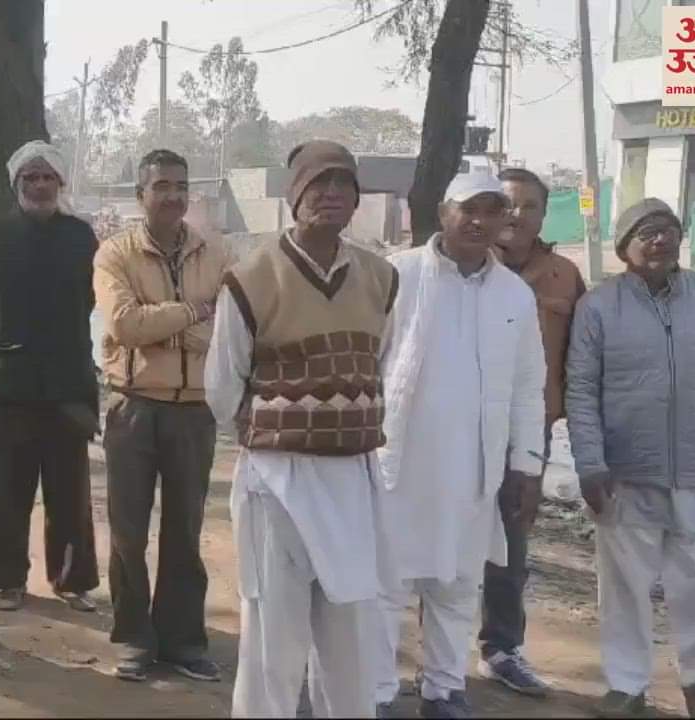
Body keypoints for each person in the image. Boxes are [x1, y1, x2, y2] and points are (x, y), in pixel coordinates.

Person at [207, 140, 397, 717]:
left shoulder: (379, 277)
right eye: (318, 184)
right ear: (295, 197)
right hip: (278, 482)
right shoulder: (252, 277)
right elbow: (223, 386)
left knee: (350, 637)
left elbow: (377, 363)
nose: (332, 194)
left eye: (344, 183)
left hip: (351, 481)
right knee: (273, 641)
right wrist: (280, 431)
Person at [566, 198, 695, 720]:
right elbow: (581, 389)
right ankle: (627, 684)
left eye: (666, 229)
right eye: (645, 232)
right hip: (624, 471)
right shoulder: (599, 306)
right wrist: (590, 463)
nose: (658, 239)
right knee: (625, 586)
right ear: (624, 246)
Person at [370, 173, 546, 719]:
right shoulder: (400, 274)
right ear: (444, 212)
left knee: (457, 582)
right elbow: (370, 362)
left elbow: (527, 385)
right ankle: (374, 691)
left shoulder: (514, 294)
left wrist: (526, 464)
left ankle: (444, 688)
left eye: (491, 211)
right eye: (469, 209)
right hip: (398, 463)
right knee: (385, 584)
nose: (479, 221)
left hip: (474, 469)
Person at [94, 149, 231, 683]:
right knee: (129, 531)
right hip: (133, 406)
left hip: (194, 410)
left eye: (180, 185)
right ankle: (133, 638)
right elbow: (125, 325)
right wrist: (196, 314)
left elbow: (229, 330)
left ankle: (182, 641)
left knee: (185, 530)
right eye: (161, 186)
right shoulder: (114, 255)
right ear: (141, 196)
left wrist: (171, 328)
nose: (173, 196)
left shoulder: (214, 255)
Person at [475, 167, 587, 696]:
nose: (518, 216)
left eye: (530, 207)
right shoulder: (462, 267)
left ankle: (501, 647)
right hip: (460, 424)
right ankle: (438, 652)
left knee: (511, 540)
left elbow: (580, 360)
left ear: (544, 215)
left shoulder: (564, 276)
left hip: (529, 429)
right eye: (508, 204)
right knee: (443, 538)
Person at [0, 140, 101, 613]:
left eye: (48, 176)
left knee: (69, 491)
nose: (40, 185)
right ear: (16, 185)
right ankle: (8, 581)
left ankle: (72, 582)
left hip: (69, 382)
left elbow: (90, 303)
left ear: (60, 183)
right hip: (9, 383)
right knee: (7, 488)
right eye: (30, 177)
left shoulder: (80, 237)